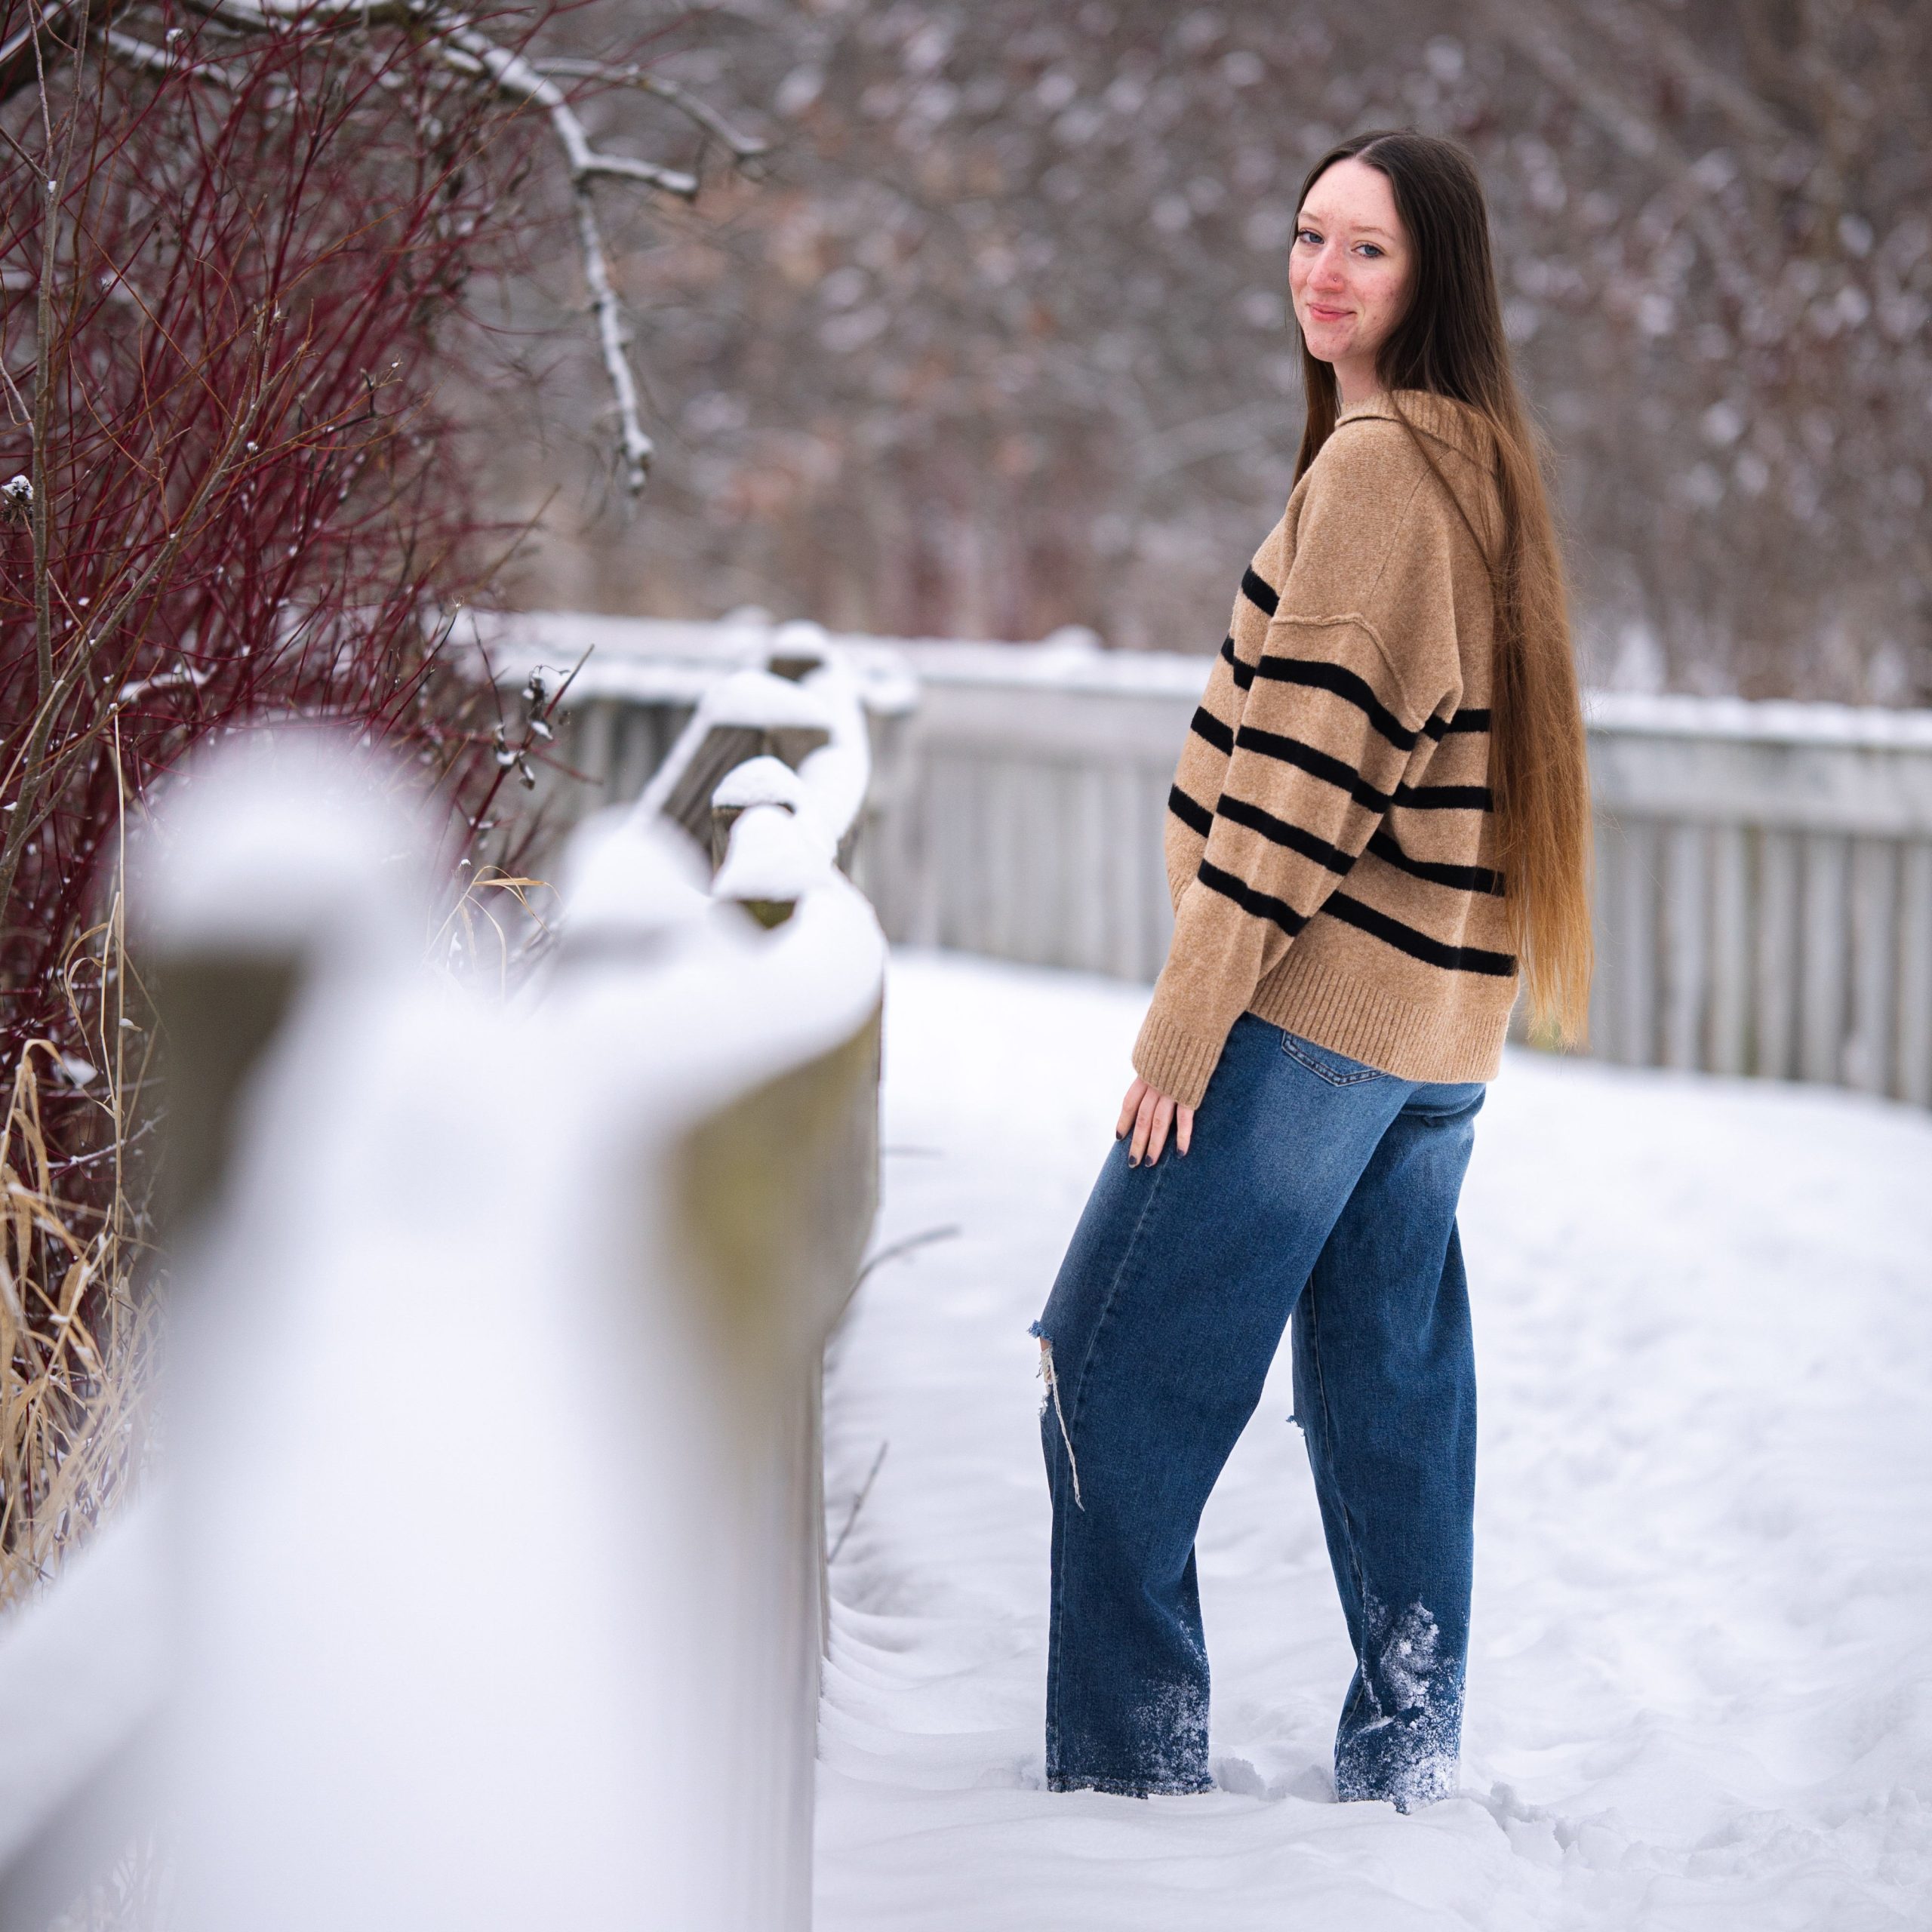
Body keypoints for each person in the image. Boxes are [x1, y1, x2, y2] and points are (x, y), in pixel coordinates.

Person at [1030, 128, 1594, 1812]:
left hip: (1303, 1019)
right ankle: (1403, 1765)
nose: (1320, 273)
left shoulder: (1377, 473)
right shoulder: (1482, 468)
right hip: (1431, 1038)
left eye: (1367, 250)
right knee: (1384, 1395)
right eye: (1306, 236)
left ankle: (1127, 1789)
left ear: (1435, 281)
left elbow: (1295, 786)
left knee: (1103, 1369)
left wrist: (1185, 1023)